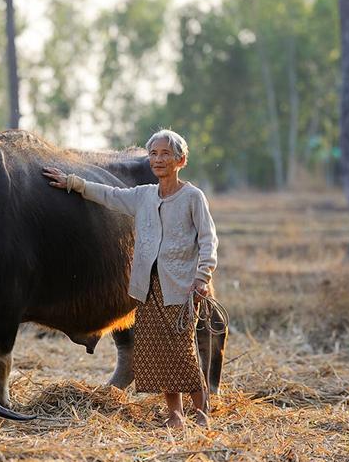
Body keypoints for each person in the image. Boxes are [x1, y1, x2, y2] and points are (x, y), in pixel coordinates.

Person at [42, 129, 218, 428]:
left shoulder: (192, 197)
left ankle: (201, 412)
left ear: (181, 160)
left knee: (181, 349)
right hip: (147, 288)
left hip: (182, 286)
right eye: (153, 154)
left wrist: (202, 277)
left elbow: (208, 240)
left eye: (165, 154)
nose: (158, 160)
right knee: (159, 353)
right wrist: (72, 182)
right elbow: (109, 196)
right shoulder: (144, 196)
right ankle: (175, 414)